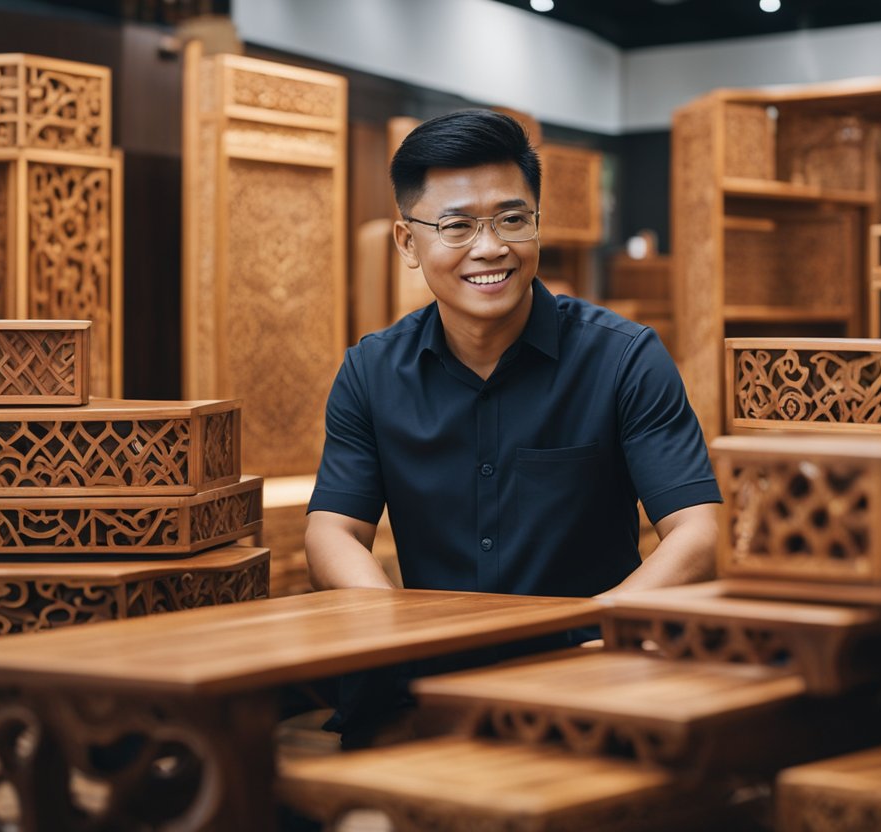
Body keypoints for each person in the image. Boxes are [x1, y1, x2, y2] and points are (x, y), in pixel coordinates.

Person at [302, 109, 721, 744]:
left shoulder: (624, 358)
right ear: (408, 243)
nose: (490, 246)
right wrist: (390, 625)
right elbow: (332, 531)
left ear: (536, 225)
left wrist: (604, 629)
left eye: (511, 218)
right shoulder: (370, 371)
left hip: (589, 684)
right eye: (457, 226)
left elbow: (701, 532)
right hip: (423, 687)